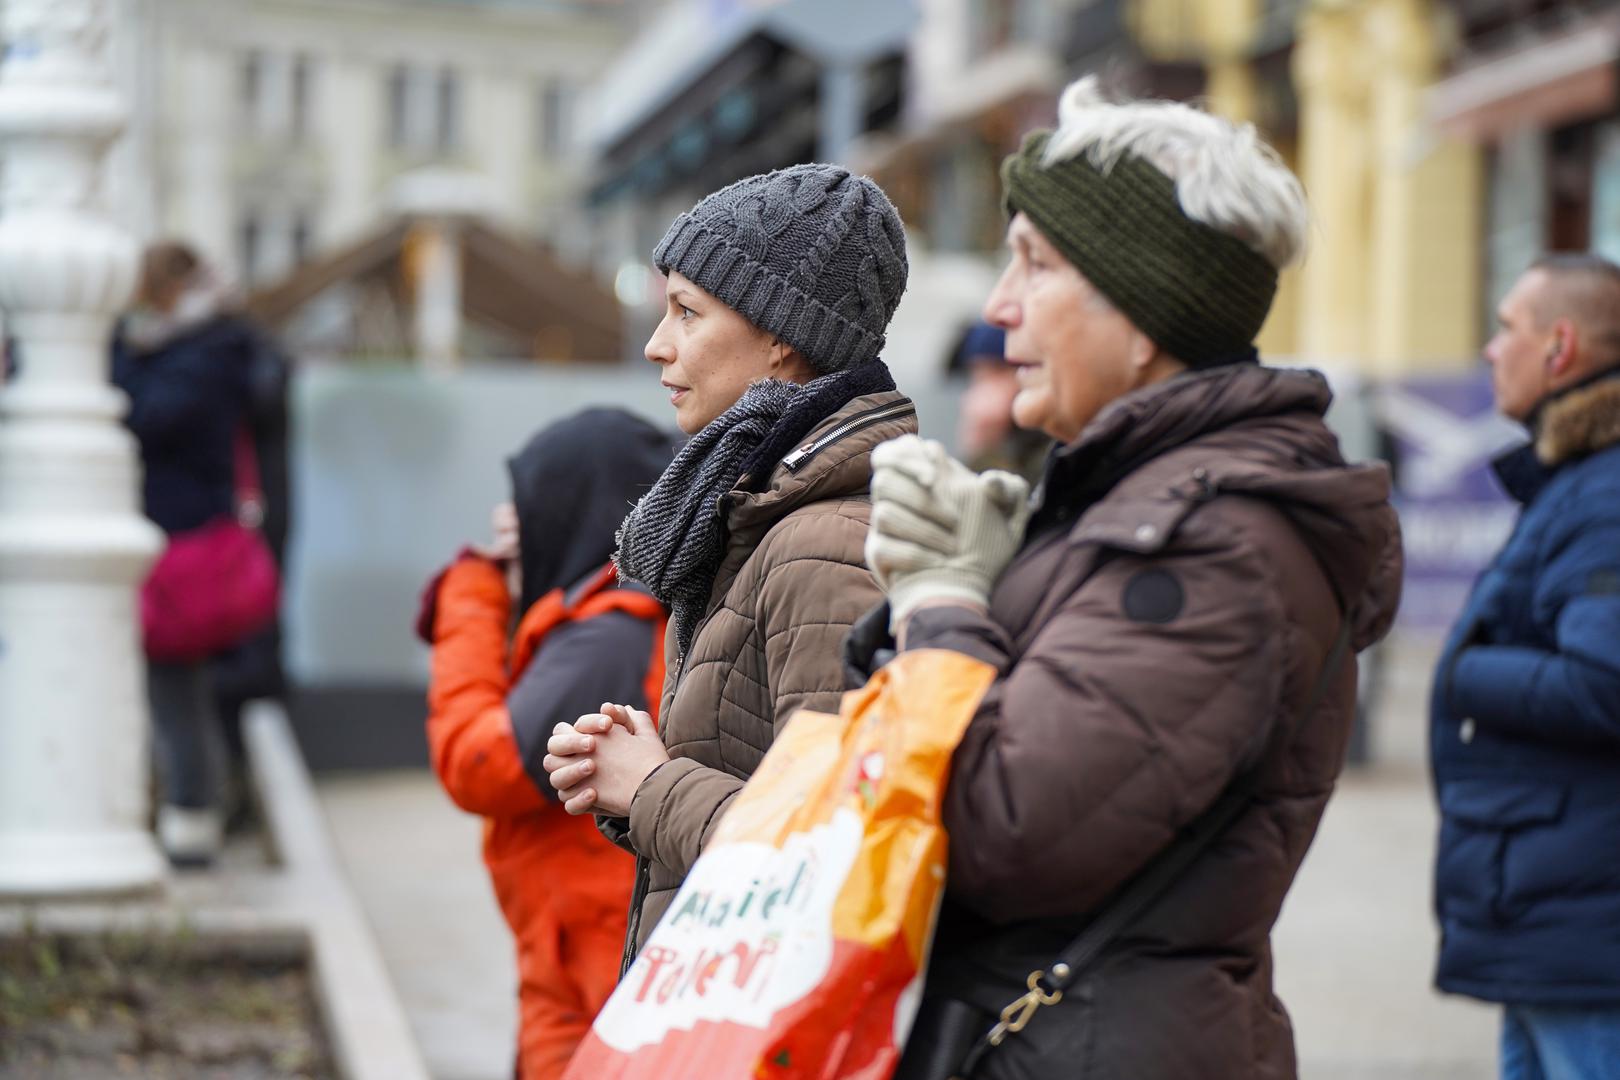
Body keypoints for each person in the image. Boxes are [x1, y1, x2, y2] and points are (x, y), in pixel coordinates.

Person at [849, 78, 1403, 1078]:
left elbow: (1005, 831)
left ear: (1144, 313)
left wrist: (943, 601)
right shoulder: (1137, 509)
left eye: (1037, 263)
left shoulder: (1213, 548)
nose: (999, 304)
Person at [541, 163, 915, 971]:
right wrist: (643, 774)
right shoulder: (758, 513)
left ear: (783, 337)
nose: (656, 343)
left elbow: (834, 860)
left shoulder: (828, 544)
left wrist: (649, 787)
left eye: (687, 312)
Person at [417, 408, 677, 1079]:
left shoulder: (605, 637)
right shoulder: (605, 619)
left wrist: (471, 592)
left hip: (592, 962)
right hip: (576, 953)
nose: (512, 519)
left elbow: (478, 764)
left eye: (529, 501)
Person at [1430, 254, 1620, 1079]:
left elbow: (1605, 684)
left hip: (1584, 921)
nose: (1487, 348)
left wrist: (1466, 671)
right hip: (1556, 912)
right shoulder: (1577, 482)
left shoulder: (1605, 493)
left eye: (1507, 327)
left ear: (1560, 347)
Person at [112, 241, 263, 866]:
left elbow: (147, 416)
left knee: (176, 688)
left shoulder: (204, 352)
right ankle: (188, 812)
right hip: (168, 541)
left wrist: (116, 353)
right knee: (173, 690)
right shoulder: (199, 347)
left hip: (179, 549)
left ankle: (193, 824)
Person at [949, 320, 1049, 483]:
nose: (986, 389)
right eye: (977, 375)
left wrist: (986, 452)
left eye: (998, 370)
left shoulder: (1056, 444)